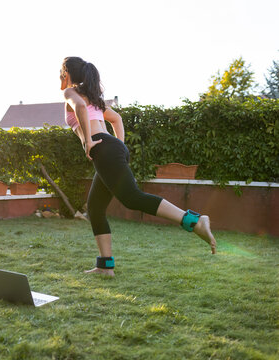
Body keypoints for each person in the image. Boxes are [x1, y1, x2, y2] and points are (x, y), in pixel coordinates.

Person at [60, 56, 216, 276]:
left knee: (132, 198)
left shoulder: (71, 94)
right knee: (95, 208)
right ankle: (105, 267)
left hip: (103, 149)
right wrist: (118, 147)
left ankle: (194, 220)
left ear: (67, 74)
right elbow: (117, 120)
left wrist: (87, 140)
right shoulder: (93, 98)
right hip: (111, 148)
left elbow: (80, 110)